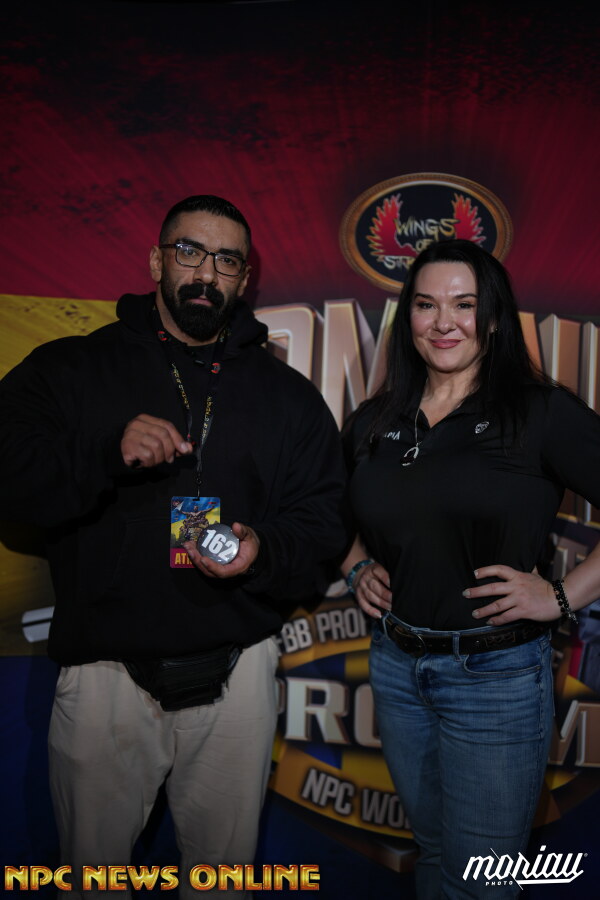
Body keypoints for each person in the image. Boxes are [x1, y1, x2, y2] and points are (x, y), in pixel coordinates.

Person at [0, 195, 346, 897]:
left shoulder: (288, 396)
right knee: (93, 885)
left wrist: (264, 548)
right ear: (157, 260)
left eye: (227, 261)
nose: (206, 273)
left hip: (238, 677)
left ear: (244, 279)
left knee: (222, 886)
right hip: (106, 678)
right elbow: (10, 483)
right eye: (189, 251)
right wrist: (104, 453)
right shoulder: (69, 368)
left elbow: (325, 521)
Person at [341, 239, 600, 899]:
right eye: (426, 304)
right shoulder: (376, 420)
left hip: (496, 678)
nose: (444, 322)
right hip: (398, 669)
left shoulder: (538, 411)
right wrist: (356, 566)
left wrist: (562, 597)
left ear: (493, 316)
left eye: (464, 304)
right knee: (434, 855)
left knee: (481, 883)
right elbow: (324, 514)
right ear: (408, 316)